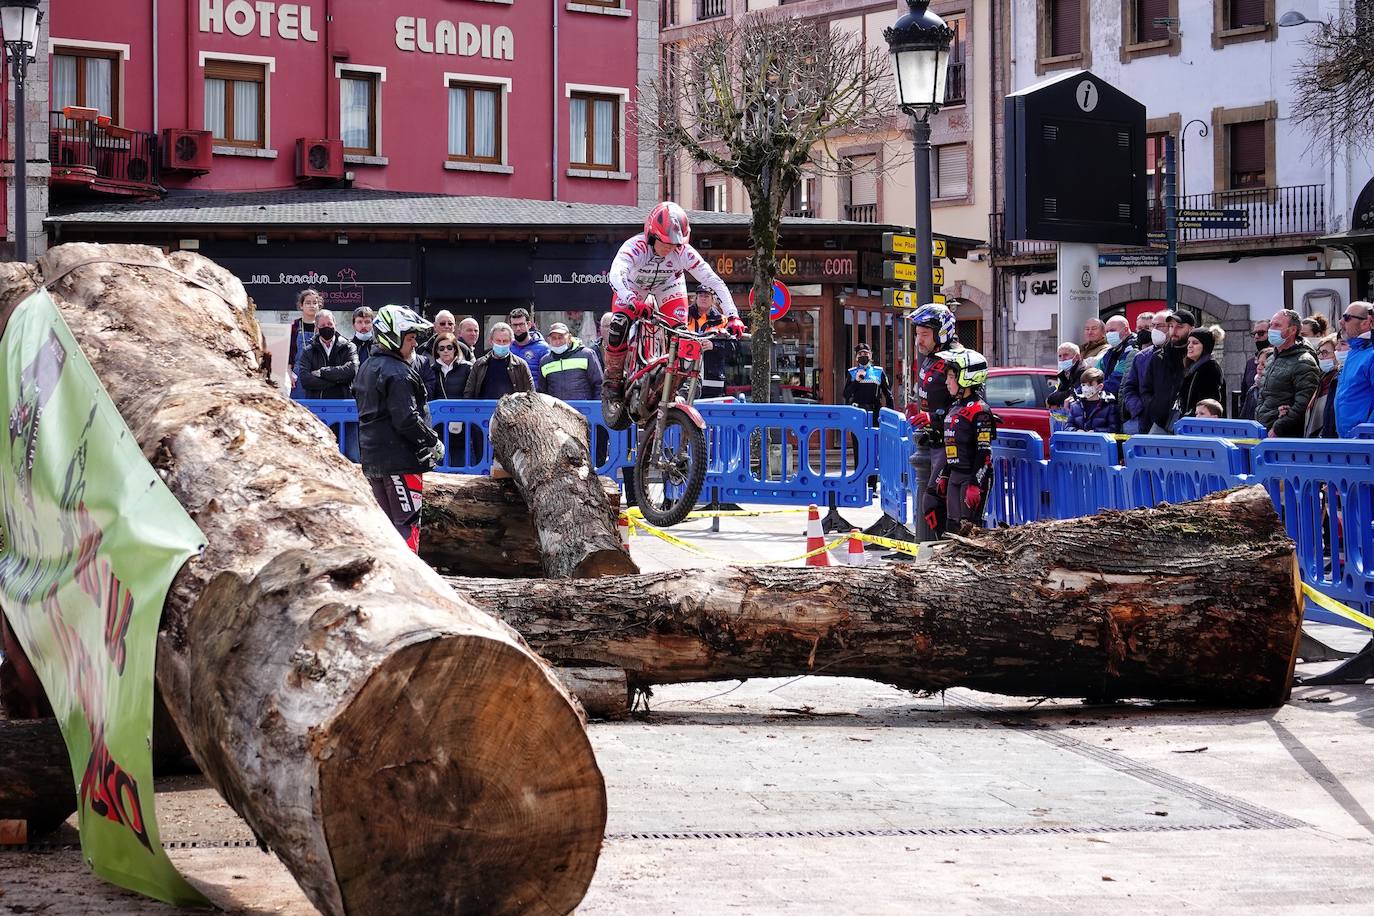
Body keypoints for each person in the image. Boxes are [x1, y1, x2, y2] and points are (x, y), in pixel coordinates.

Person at [602, 201, 742, 401]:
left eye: (676, 244)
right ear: (651, 235)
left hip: (668, 286)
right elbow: (616, 275)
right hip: (633, 287)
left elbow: (713, 281)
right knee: (619, 325)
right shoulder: (635, 247)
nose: (671, 248)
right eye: (665, 242)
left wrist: (732, 315)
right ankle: (613, 379)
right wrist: (631, 299)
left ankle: (673, 386)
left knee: (684, 337)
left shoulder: (684, 252)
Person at [352, 305, 444, 553]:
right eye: (411, 338)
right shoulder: (398, 372)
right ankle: (410, 584)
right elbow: (406, 418)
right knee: (407, 525)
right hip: (401, 461)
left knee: (382, 528)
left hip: (373, 459)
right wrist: (432, 441)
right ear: (393, 336)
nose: (414, 344)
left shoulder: (366, 366)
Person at [908, 302, 963, 537]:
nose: (919, 341)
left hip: (951, 446)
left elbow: (968, 405)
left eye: (925, 335)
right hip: (932, 443)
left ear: (942, 333)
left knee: (938, 504)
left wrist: (935, 418)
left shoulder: (957, 360)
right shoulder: (931, 357)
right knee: (930, 503)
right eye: (917, 334)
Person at [932, 348, 994, 535]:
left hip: (971, 477)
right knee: (952, 526)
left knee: (969, 529)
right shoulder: (955, 407)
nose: (947, 381)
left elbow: (984, 452)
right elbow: (952, 447)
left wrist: (975, 484)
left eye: (951, 376)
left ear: (967, 378)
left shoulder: (980, 410)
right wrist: (944, 474)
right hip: (955, 475)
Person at [1256, 308, 1321, 438]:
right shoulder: (1271, 358)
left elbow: (1303, 403)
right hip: (1263, 429)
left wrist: (1278, 428)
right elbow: (1264, 394)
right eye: (1271, 325)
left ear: (1292, 330)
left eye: (1278, 325)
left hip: (1283, 435)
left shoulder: (1304, 361)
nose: (1271, 329)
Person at [1139, 309, 1195, 434]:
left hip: (1189, 424)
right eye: (1170, 326)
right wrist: (1155, 407)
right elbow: (1145, 389)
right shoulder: (1158, 357)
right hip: (1160, 422)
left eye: (1179, 327)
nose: (1173, 331)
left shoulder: (1196, 357)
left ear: (1191, 329)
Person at [1119, 309, 1170, 434]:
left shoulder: (1179, 355)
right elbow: (1129, 387)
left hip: (1168, 420)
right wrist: (1138, 409)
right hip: (1144, 419)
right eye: (1154, 326)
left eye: (1160, 326)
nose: (1155, 330)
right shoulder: (1141, 357)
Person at [294, 309, 359, 400]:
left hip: (343, 404)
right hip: (316, 405)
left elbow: (352, 371)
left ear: (335, 325)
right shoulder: (308, 350)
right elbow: (305, 380)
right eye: (323, 325)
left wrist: (322, 372)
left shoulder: (348, 347)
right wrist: (338, 381)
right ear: (316, 328)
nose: (327, 327)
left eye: (329, 324)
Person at [466, 321, 536, 398]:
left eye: (505, 341)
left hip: (512, 408)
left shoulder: (520, 365)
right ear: (491, 341)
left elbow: (531, 394)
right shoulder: (479, 365)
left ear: (511, 342)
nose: (501, 344)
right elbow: (469, 393)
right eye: (498, 341)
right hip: (484, 408)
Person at [1335, 302, 1374, 436]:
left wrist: (1365, 435)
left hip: (1365, 444)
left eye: (1347, 317)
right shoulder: (1354, 352)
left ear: (1365, 323)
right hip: (1350, 442)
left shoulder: (1371, 354)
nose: (1341, 321)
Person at [1173, 328, 1226, 425]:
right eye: (1189, 342)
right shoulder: (1192, 368)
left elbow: (1210, 403)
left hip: (1201, 424)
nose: (1189, 346)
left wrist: (1191, 416)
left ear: (1205, 346)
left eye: (1195, 343)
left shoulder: (1210, 368)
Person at [538, 322, 603, 401]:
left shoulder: (587, 355)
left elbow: (599, 384)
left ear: (569, 337)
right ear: (549, 340)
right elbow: (542, 392)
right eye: (554, 338)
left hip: (583, 409)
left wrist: (595, 408)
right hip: (556, 410)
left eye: (561, 337)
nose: (557, 342)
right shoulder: (545, 362)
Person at [687, 290, 732, 398]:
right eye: (700, 296)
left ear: (713, 300)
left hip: (712, 377)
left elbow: (733, 347)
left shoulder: (722, 320)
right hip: (685, 374)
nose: (703, 298)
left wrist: (714, 346)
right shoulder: (685, 316)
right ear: (696, 298)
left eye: (707, 296)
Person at [843, 342, 892, 424]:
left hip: (874, 413)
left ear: (870, 355)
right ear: (856, 357)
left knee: (874, 436)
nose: (863, 356)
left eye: (865, 353)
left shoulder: (878, 372)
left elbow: (888, 395)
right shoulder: (852, 372)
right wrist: (856, 381)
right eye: (860, 354)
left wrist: (889, 415)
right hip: (857, 412)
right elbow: (846, 394)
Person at [288, 288, 322, 398]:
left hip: (319, 373)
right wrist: (288, 373)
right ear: (301, 306)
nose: (311, 306)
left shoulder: (323, 325)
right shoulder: (294, 326)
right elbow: (289, 351)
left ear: (318, 306)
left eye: (314, 303)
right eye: (308, 303)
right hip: (297, 374)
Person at [1063, 367, 1119, 433]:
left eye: (1089, 385)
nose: (1085, 388)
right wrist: (1076, 431)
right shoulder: (1075, 406)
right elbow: (1067, 427)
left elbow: (1114, 429)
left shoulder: (1109, 406)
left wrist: (1096, 432)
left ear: (1100, 386)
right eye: (1083, 385)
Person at [1305, 335, 1340, 438]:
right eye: (1319, 353)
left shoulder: (1338, 380)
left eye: (1325, 353)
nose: (1320, 357)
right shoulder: (1322, 379)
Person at [1097, 314, 1137, 402]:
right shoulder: (1112, 351)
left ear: (1126, 330)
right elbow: (1095, 372)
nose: (1109, 334)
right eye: (1107, 332)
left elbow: (1117, 379)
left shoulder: (1132, 349)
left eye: (1112, 330)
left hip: (1123, 402)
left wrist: (1095, 393)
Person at [508, 308, 550, 387]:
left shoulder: (542, 348)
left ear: (529, 325)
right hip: (511, 397)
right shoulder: (508, 347)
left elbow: (548, 377)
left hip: (534, 397)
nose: (518, 329)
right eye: (514, 325)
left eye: (521, 324)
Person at [429, 332, 471, 400]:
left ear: (455, 349)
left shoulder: (467, 367)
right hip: (440, 409)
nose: (445, 351)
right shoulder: (431, 370)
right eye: (441, 348)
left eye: (449, 347)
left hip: (462, 408)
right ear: (437, 351)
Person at [1046, 342, 1084, 409]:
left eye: (1066, 355)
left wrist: (1050, 399)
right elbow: (1061, 391)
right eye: (1060, 356)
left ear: (1077, 357)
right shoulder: (1066, 373)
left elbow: (1073, 393)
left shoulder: (1083, 372)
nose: (1062, 359)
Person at [1239, 347, 1271, 421]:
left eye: (1263, 364)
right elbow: (1244, 417)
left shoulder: (1276, 391)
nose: (1259, 367)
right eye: (1258, 363)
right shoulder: (1253, 390)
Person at [1242, 319, 1270, 395]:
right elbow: (1244, 391)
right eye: (1254, 334)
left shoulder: (1279, 358)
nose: (1256, 336)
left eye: (1261, 333)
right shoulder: (1250, 363)